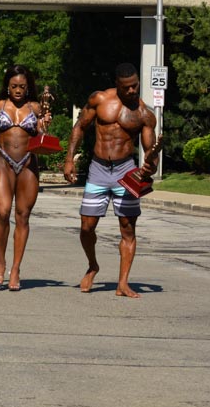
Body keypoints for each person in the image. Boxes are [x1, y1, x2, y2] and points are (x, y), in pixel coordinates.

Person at [62, 62, 158, 298]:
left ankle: (122, 283)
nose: (132, 91)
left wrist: (150, 168)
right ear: (117, 84)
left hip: (126, 170)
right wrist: (69, 158)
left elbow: (150, 151)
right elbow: (80, 127)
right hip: (98, 169)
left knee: (128, 228)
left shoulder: (144, 114)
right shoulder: (100, 99)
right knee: (87, 226)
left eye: (135, 86)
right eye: (127, 87)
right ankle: (93, 265)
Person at [0, 65, 51, 291]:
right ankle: (1, 262)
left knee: (22, 216)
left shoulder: (36, 108)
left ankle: (15, 268)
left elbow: (42, 137)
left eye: (22, 86)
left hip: (28, 164)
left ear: (28, 87)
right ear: (7, 86)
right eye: (14, 86)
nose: (18, 90)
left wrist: (43, 126)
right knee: (3, 213)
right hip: (4, 163)